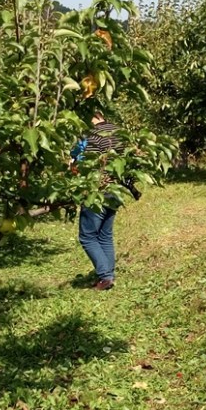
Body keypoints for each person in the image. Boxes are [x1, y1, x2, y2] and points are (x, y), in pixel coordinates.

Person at [71, 109, 124, 290]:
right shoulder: (118, 132)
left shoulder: (93, 136)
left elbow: (86, 164)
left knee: (87, 236)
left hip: (97, 191)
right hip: (116, 190)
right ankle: (108, 275)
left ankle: (105, 276)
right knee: (104, 235)